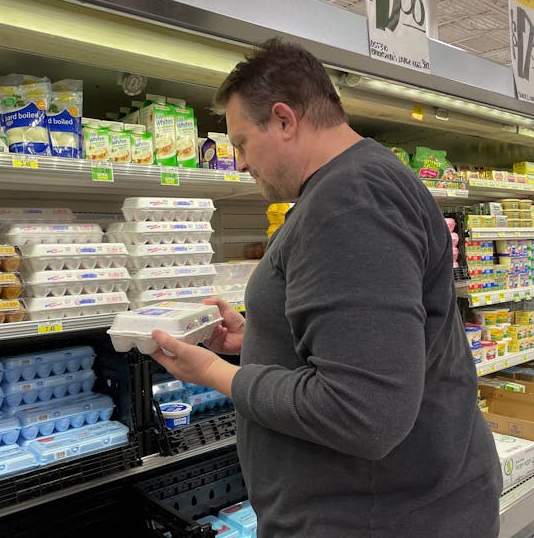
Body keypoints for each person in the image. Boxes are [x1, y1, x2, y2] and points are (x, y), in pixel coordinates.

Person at [150, 39, 502, 537]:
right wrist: (254, 339)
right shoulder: (360, 181)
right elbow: (366, 341)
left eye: (242, 143)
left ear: (284, 120)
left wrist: (216, 374)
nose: (242, 164)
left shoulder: (350, 202)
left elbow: (364, 412)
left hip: (384, 518)